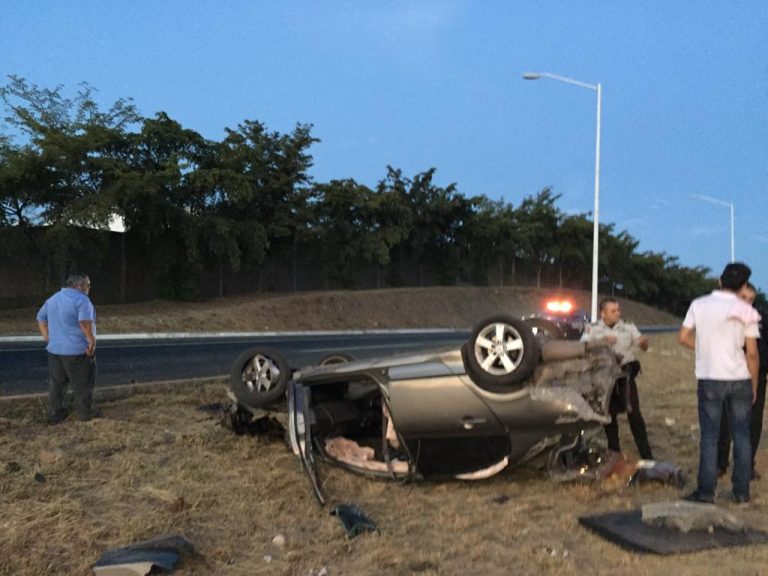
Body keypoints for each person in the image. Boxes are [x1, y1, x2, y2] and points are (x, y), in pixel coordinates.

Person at [678, 262, 760, 504]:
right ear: (743, 286)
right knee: (742, 436)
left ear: (719, 281)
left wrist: (704, 348)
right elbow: (752, 353)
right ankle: (741, 492)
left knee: (710, 436)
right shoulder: (746, 310)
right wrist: (754, 385)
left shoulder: (699, 304)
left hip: (710, 377)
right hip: (739, 378)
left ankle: (705, 491)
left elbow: (683, 337)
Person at [582, 297, 654, 460]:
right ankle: (614, 452)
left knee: (634, 413)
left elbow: (642, 345)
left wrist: (643, 342)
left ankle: (647, 455)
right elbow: (583, 348)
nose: (617, 313)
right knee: (609, 415)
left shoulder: (628, 326)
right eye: (613, 311)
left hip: (625, 375)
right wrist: (601, 341)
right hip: (603, 377)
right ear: (603, 313)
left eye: (618, 310)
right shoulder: (592, 329)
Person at [716, 282, 768, 479]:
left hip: (758, 375)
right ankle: (721, 463)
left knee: (753, 422)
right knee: (726, 421)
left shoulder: (760, 317)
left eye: (751, 299)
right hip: (732, 373)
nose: (747, 302)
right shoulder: (727, 317)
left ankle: (747, 464)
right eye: (743, 298)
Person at [36, 272, 100, 423]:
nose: (89, 288)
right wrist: (92, 342)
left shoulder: (53, 299)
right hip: (77, 351)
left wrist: (47, 337)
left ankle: (55, 413)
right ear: (78, 285)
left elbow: (40, 317)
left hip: (55, 350)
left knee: (57, 384)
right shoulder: (82, 300)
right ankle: (85, 413)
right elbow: (85, 323)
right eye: (88, 284)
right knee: (83, 384)